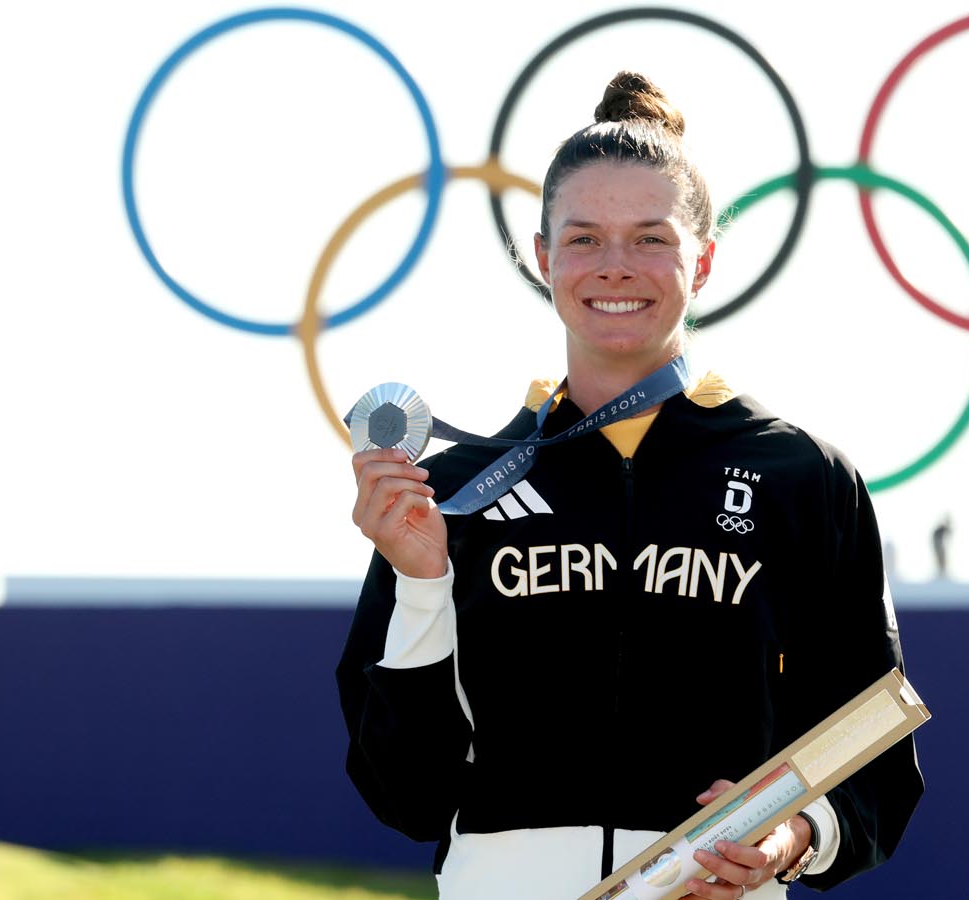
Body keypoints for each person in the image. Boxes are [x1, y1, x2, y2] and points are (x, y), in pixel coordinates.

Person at [337, 71, 923, 899]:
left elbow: (874, 754)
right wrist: (422, 580)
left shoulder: (804, 479)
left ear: (705, 259)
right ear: (542, 258)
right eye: (583, 239)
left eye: (652, 238)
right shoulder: (453, 494)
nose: (616, 267)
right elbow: (405, 791)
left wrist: (794, 835)